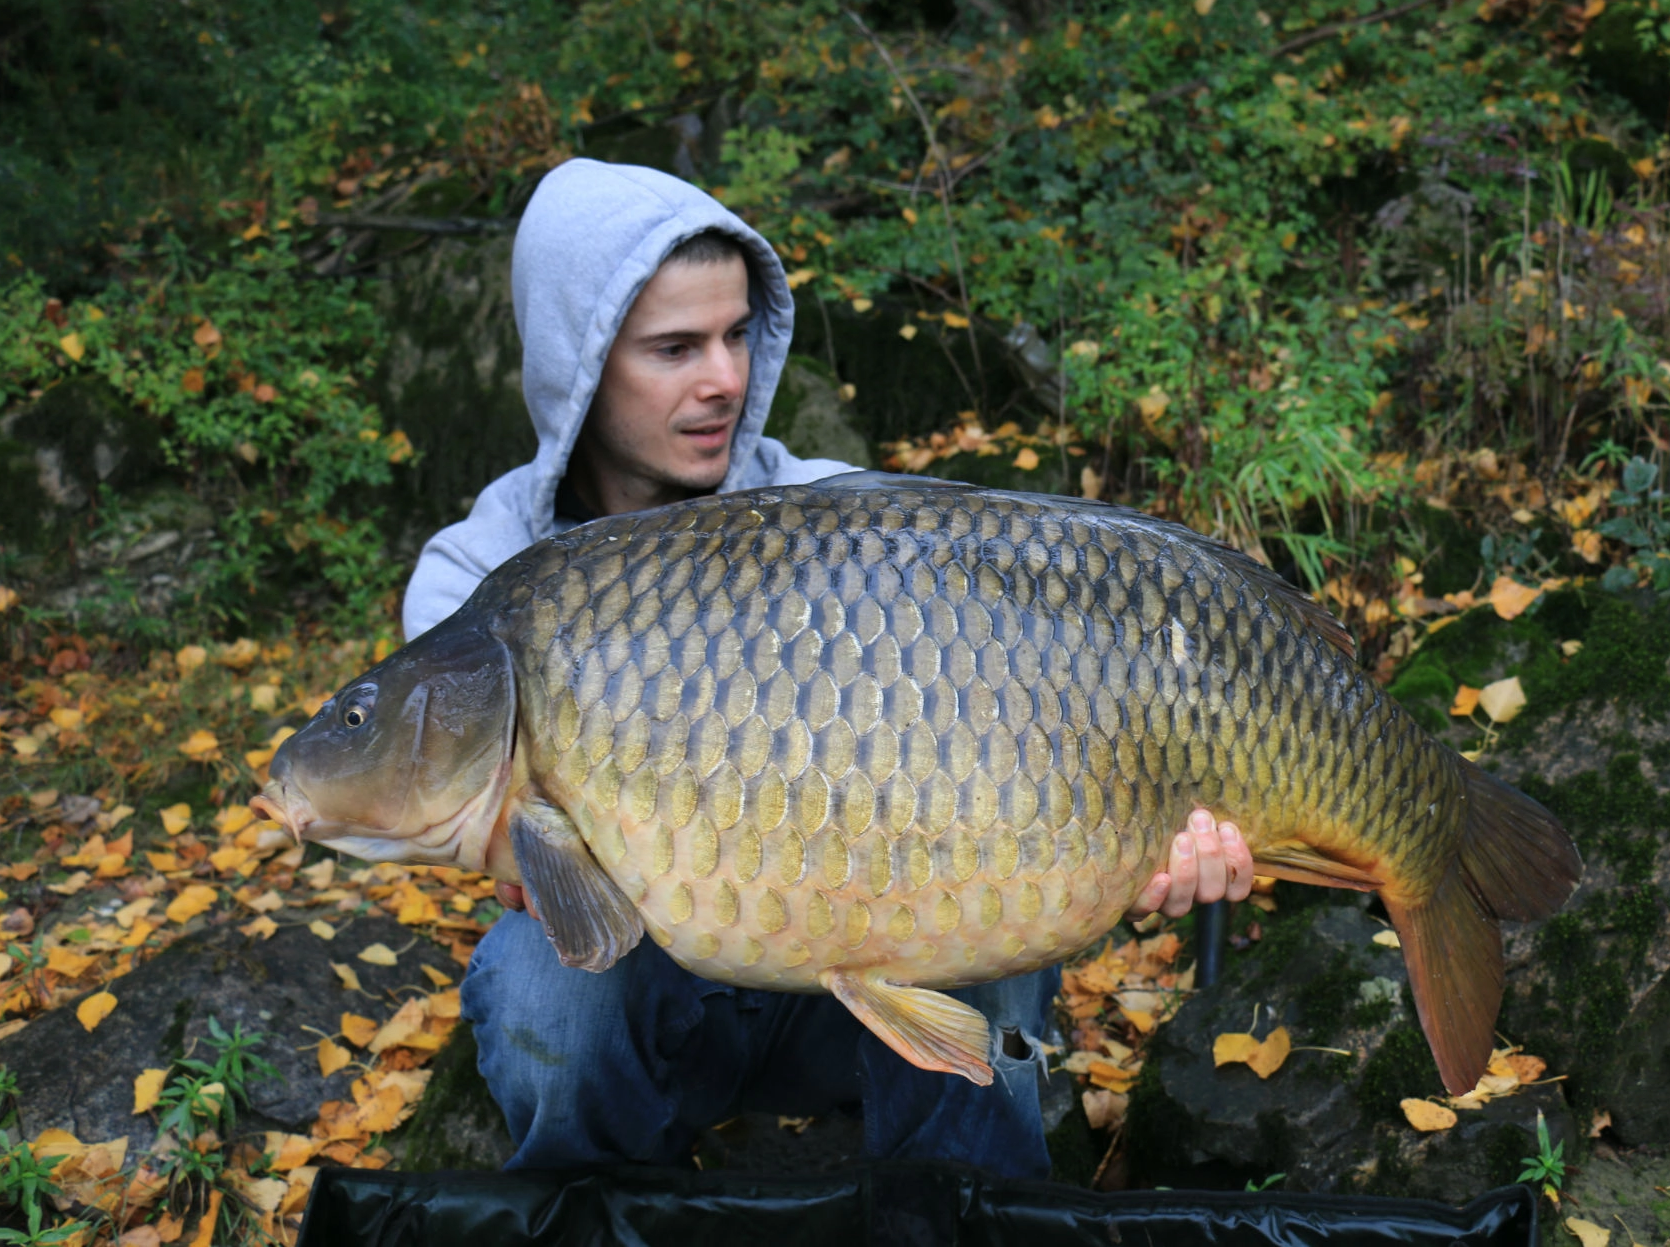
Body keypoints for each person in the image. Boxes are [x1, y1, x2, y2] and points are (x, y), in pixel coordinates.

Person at [402, 158, 1253, 1179]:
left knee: (983, 929)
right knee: (541, 990)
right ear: (576, 366)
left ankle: (956, 1208)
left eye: (734, 335)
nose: (723, 378)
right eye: (674, 348)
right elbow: (513, 864)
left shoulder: (834, 526)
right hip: (658, 998)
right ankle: (612, 1206)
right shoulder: (478, 581)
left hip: (863, 980)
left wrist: (1157, 830)